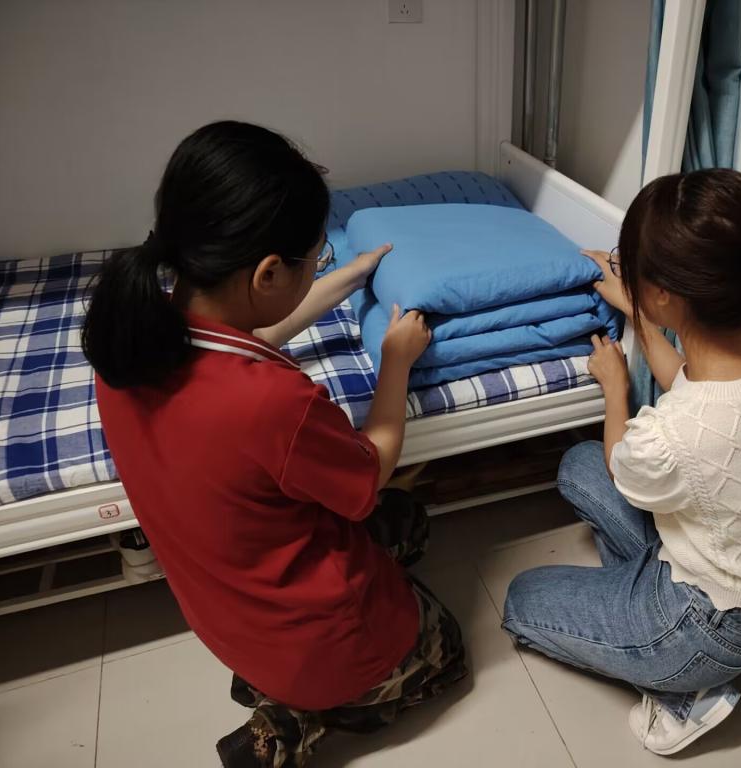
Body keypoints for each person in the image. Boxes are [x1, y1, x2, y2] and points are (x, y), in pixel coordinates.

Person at [82, 121, 466, 768]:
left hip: (226, 621)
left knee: (406, 524)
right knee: (444, 640)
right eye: (317, 259)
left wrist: (350, 277)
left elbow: (250, 334)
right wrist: (396, 361)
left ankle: (277, 684)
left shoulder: (128, 345)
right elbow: (371, 469)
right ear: (266, 273)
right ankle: (293, 720)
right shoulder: (273, 403)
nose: (320, 266)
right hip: (319, 644)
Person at [502, 169, 741, 756]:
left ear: (665, 294)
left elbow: (626, 462)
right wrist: (638, 309)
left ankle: (684, 691)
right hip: (730, 570)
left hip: (696, 626)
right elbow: (686, 380)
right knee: (578, 464)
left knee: (522, 600)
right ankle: (631, 612)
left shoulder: (676, 433)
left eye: (630, 268)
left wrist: (614, 388)